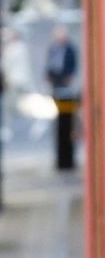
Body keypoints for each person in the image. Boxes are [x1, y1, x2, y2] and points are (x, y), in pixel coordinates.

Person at [45, 26, 80, 172]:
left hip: (65, 85)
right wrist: (49, 76)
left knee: (67, 123)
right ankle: (62, 158)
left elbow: (72, 65)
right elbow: (49, 64)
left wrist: (68, 77)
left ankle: (67, 159)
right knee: (60, 123)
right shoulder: (53, 48)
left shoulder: (70, 49)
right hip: (56, 82)